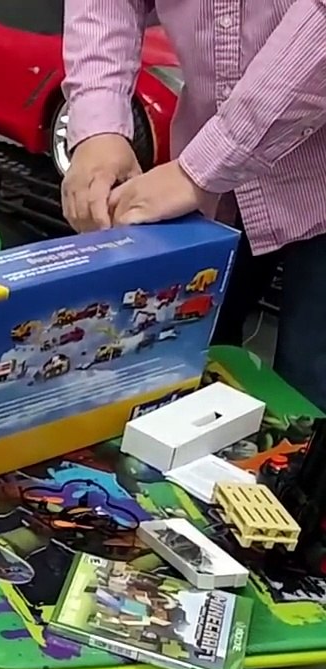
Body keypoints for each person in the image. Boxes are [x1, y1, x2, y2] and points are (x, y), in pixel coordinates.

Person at [60, 0, 326, 408]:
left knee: (312, 398)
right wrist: (99, 126)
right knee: (177, 371)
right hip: (209, 182)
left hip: (241, 170)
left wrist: (201, 168)